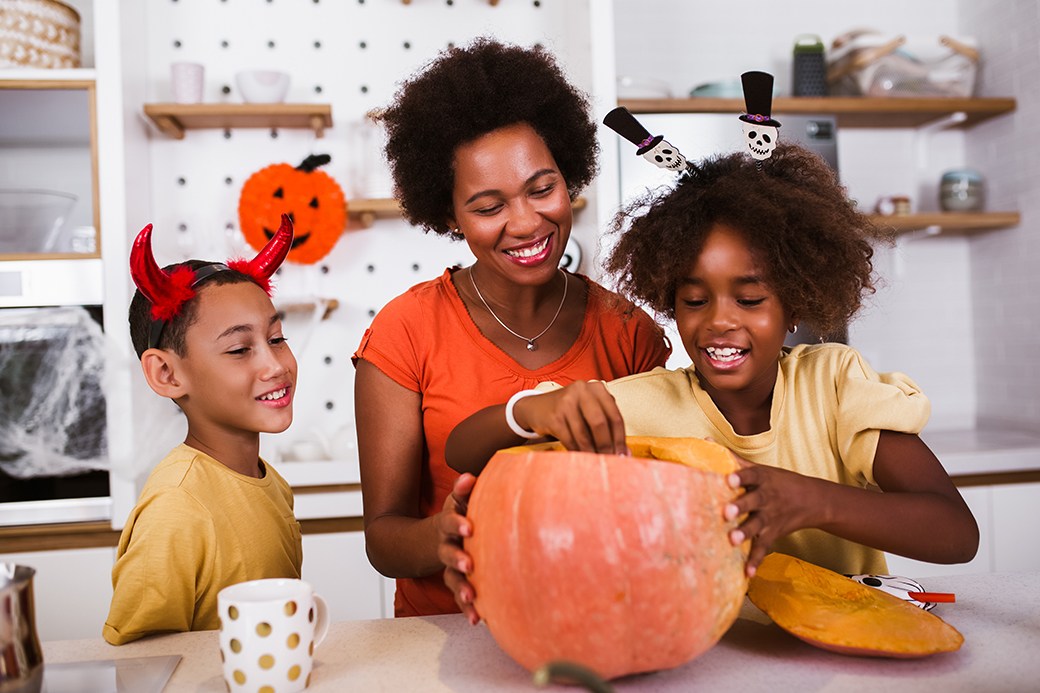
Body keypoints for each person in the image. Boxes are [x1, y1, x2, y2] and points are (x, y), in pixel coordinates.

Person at [441, 143, 980, 624]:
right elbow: (463, 448)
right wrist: (528, 412)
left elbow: (955, 531)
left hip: (852, 646)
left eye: (749, 299)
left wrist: (809, 501)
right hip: (712, 659)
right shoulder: (651, 401)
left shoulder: (835, 385)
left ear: (794, 305)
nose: (719, 321)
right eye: (694, 301)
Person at [353, 38, 671, 618]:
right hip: (445, 640)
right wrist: (443, 536)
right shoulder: (405, 332)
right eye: (488, 206)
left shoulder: (628, 332)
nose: (526, 222)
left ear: (568, 177)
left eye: (542, 188)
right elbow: (383, 537)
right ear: (449, 215)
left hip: (590, 627)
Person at [103, 216, 303, 645]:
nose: (275, 365)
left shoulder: (271, 484)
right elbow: (140, 666)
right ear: (166, 374)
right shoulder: (177, 507)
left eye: (277, 338)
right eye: (238, 349)